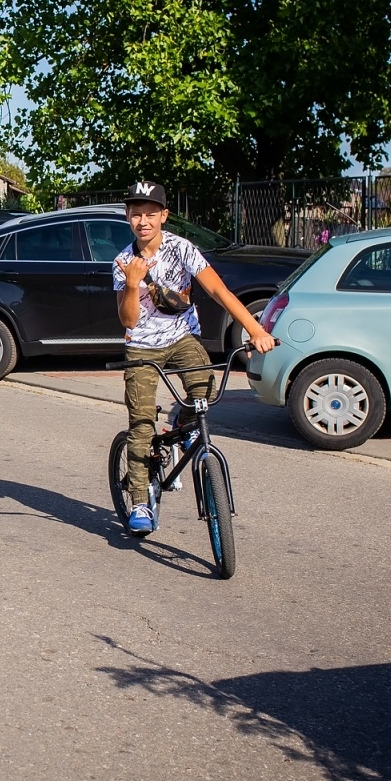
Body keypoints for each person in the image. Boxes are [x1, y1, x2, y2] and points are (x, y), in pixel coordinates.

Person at [114, 181, 277, 535]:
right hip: (141, 344)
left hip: (182, 337)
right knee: (141, 423)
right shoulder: (123, 262)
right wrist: (132, 284)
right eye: (136, 214)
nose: (143, 221)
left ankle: (185, 428)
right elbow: (127, 320)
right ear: (128, 216)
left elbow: (218, 289)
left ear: (163, 216)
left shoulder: (181, 248)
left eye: (151, 214)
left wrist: (256, 330)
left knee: (203, 386)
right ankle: (140, 501)